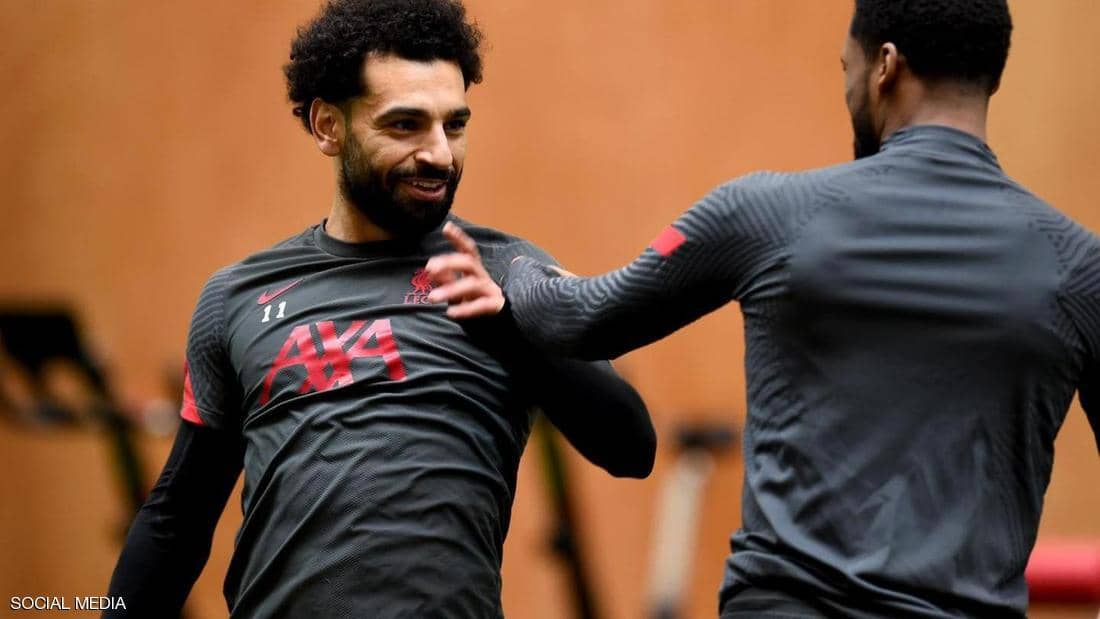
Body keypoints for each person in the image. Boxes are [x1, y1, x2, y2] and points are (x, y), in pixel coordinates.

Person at [445, 1, 1100, 617]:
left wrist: (511, 270)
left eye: (846, 68)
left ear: (885, 66)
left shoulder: (768, 214)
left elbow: (580, 318)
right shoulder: (1079, 269)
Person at [104, 0, 655, 617]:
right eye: (405, 125)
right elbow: (176, 520)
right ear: (327, 126)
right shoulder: (237, 298)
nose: (440, 154)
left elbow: (632, 448)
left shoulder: (505, 273)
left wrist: (508, 329)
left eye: (454, 125)